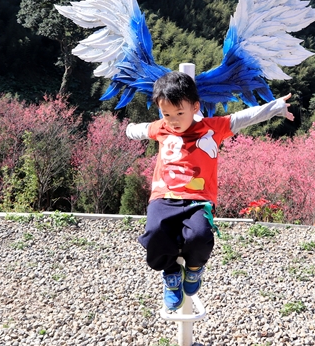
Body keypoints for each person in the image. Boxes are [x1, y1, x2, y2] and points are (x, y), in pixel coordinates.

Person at [125, 71, 294, 311]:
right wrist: (128, 128)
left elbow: (244, 117)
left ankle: (194, 268)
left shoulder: (212, 128)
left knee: (200, 235)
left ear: (195, 107)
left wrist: (275, 107)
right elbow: (140, 130)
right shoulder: (161, 128)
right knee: (154, 233)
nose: (173, 120)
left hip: (198, 199)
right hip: (164, 196)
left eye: (180, 113)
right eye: (167, 114)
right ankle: (171, 272)